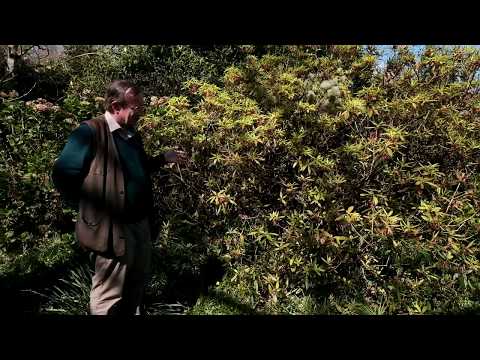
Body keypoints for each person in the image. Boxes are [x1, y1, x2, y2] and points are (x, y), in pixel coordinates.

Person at [52, 80, 187, 315]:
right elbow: (63, 174)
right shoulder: (90, 132)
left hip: (139, 223)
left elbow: (138, 168)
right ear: (116, 106)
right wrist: (87, 210)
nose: (141, 113)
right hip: (111, 228)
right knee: (108, 294)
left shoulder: (131, 134)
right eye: (136, 108)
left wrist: (163, 159)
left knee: (136, 282)